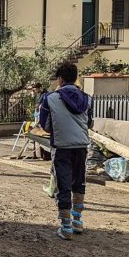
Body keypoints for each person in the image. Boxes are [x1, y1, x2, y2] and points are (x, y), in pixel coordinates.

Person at [40, 62, 93, 241]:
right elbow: (89, 123)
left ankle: (66, 227)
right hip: (81, 147)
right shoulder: (87, 98)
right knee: (79, 182)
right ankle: (78, 221)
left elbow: (45, 125)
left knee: (63, 185)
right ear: (75, 78)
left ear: (60, 79)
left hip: (61, 147)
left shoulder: (50, 98)